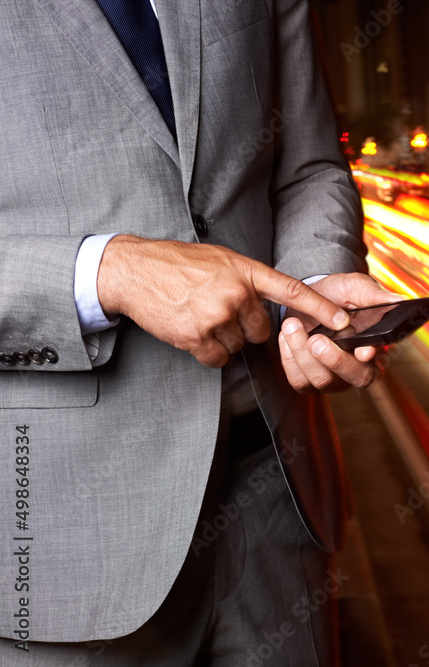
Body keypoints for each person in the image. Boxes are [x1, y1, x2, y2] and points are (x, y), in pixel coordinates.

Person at [0, 0, 395, 663]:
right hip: (61, 540)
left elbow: (307, 169)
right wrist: (105, 271)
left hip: (274, 501)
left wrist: (314, 284)